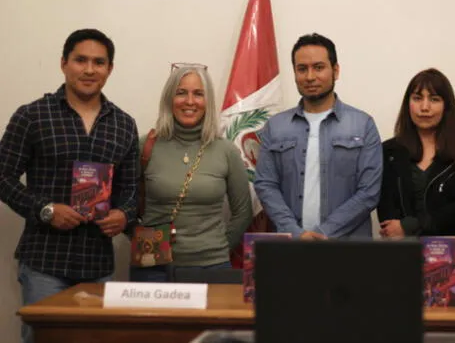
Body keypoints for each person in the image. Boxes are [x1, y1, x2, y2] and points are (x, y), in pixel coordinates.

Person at [0, 29, 139, 343]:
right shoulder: (33, 115)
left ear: (109, 69)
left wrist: (124, 215)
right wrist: (45, 210)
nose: (89, 69)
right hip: (45, 262)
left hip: (99, 263)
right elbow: (2, 177)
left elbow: (131, 190)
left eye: (99, 62)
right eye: (81, 60)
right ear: (64, 64)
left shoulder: (123, 124)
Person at [129, 64, 252, 282]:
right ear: (169, 98)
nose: (189, 101)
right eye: (181, 93)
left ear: (208, 102)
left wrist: (216, 246)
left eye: (198, 94)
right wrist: (145, 242)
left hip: (212, 266)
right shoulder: (144, 147)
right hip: (153, 268)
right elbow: (122, 207)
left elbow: (243, 213)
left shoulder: (226, 151)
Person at [254, 33, 383, 239]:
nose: (310, 76)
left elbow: (369, 192)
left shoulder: (362, 125)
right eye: (302, 69)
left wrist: (324, 233)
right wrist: (295, 233)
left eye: (319, 67)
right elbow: (265, 185)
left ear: (336, 70)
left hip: (348, 251)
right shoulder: (275, 127)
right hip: (291, 249)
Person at [377, 69, 455, 240]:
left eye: (434, 99)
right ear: (407, 104)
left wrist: (411, 226)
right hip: (402, 251)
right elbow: (387, 210)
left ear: (446, 106)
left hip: (452, 252)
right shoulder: (389, 151)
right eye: (417, 98)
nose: (424, 107)